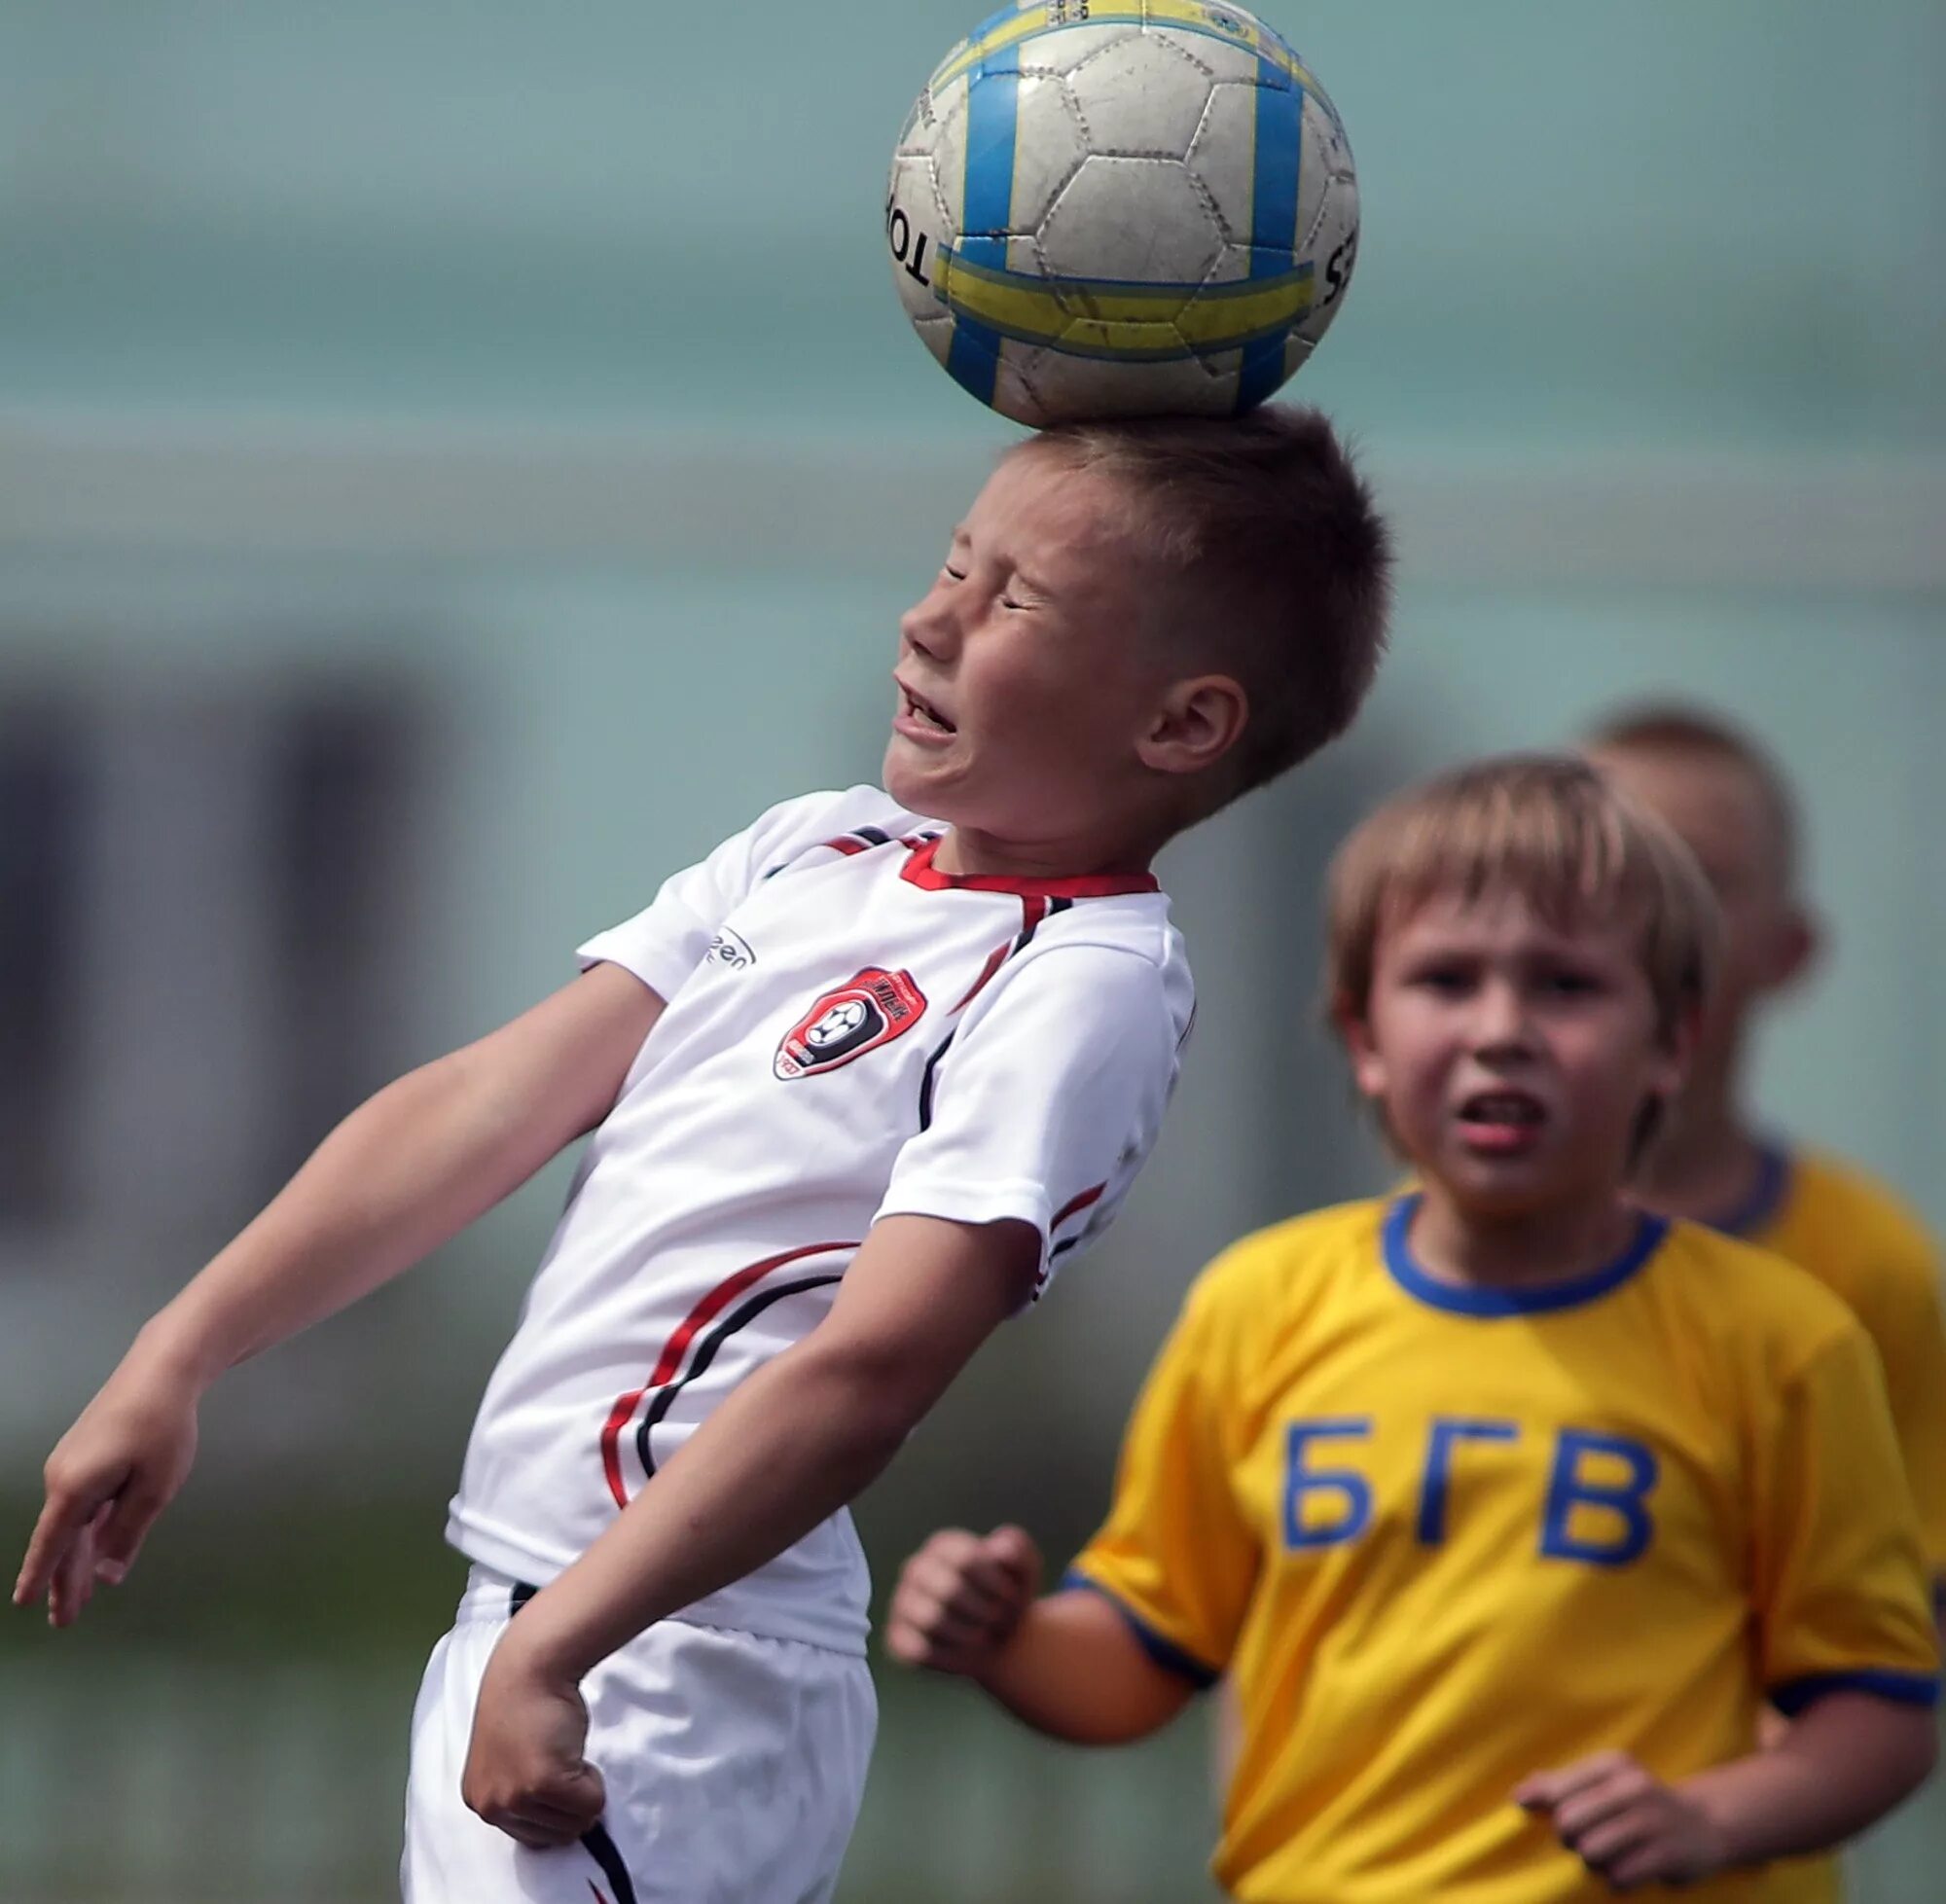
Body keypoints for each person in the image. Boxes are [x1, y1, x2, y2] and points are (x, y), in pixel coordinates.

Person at [11, 407, 1392, 1904]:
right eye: (952, 565)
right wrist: (183, 1349)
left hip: (676, 1662)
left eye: (1013, 602)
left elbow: (870, 1375)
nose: (929, 619)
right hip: (552, 1622)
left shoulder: (1088, 981)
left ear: (1184, 724)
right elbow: (486, 1104)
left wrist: (561, 1646)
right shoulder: (817, 849)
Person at [888, 755, 1938, 1903]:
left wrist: (1708, 1817)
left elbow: (1876, 1708)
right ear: (1363, 1038)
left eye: (1564, 986)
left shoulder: (1784, 1340)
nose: (1502, 1030)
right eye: (1446, 980)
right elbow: (1143, 1651)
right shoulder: (1262, 1305)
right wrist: (1004, 1642)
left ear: (1671, 1045)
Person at [1582, 703, 1946, 1610]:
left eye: (1699, 876)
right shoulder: (1427, 1253)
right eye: (1606, 869)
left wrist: (1766, 1756)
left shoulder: (1868, 1265)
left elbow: (1904, 1610)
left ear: (1788, 953)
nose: (1647, 913)